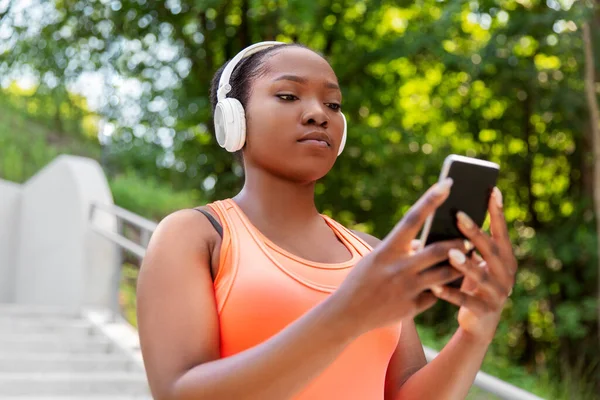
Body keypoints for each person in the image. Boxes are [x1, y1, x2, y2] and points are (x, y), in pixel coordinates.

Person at [136, 41, 517, 400]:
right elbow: (178, 393)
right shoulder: (194, 235)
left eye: (333, 105)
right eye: (288, 95)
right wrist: (347, 315)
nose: (319, 113)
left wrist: (475, 331)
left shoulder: (369, 251)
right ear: (232, 121)